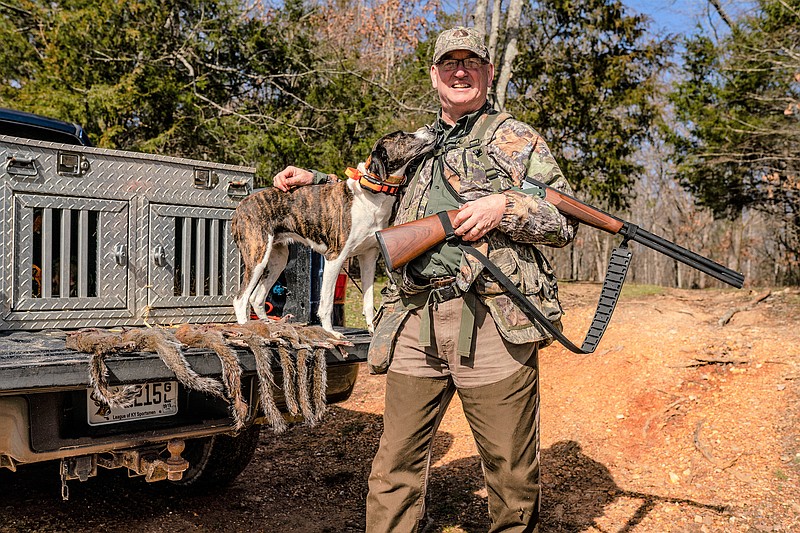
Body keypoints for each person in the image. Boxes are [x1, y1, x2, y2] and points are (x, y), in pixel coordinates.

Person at [273, 26, 577, 533]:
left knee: (510, 473)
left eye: (472, 62)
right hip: (415, 318)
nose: (461, 71)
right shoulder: (417, 143)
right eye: (450, 63)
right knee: (394, 469)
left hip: (493, 322)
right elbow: (369, 191)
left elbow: (562, 220)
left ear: (489, 72)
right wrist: (317, 181)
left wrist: (506, 205)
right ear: (435, 75)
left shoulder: (516, 138)